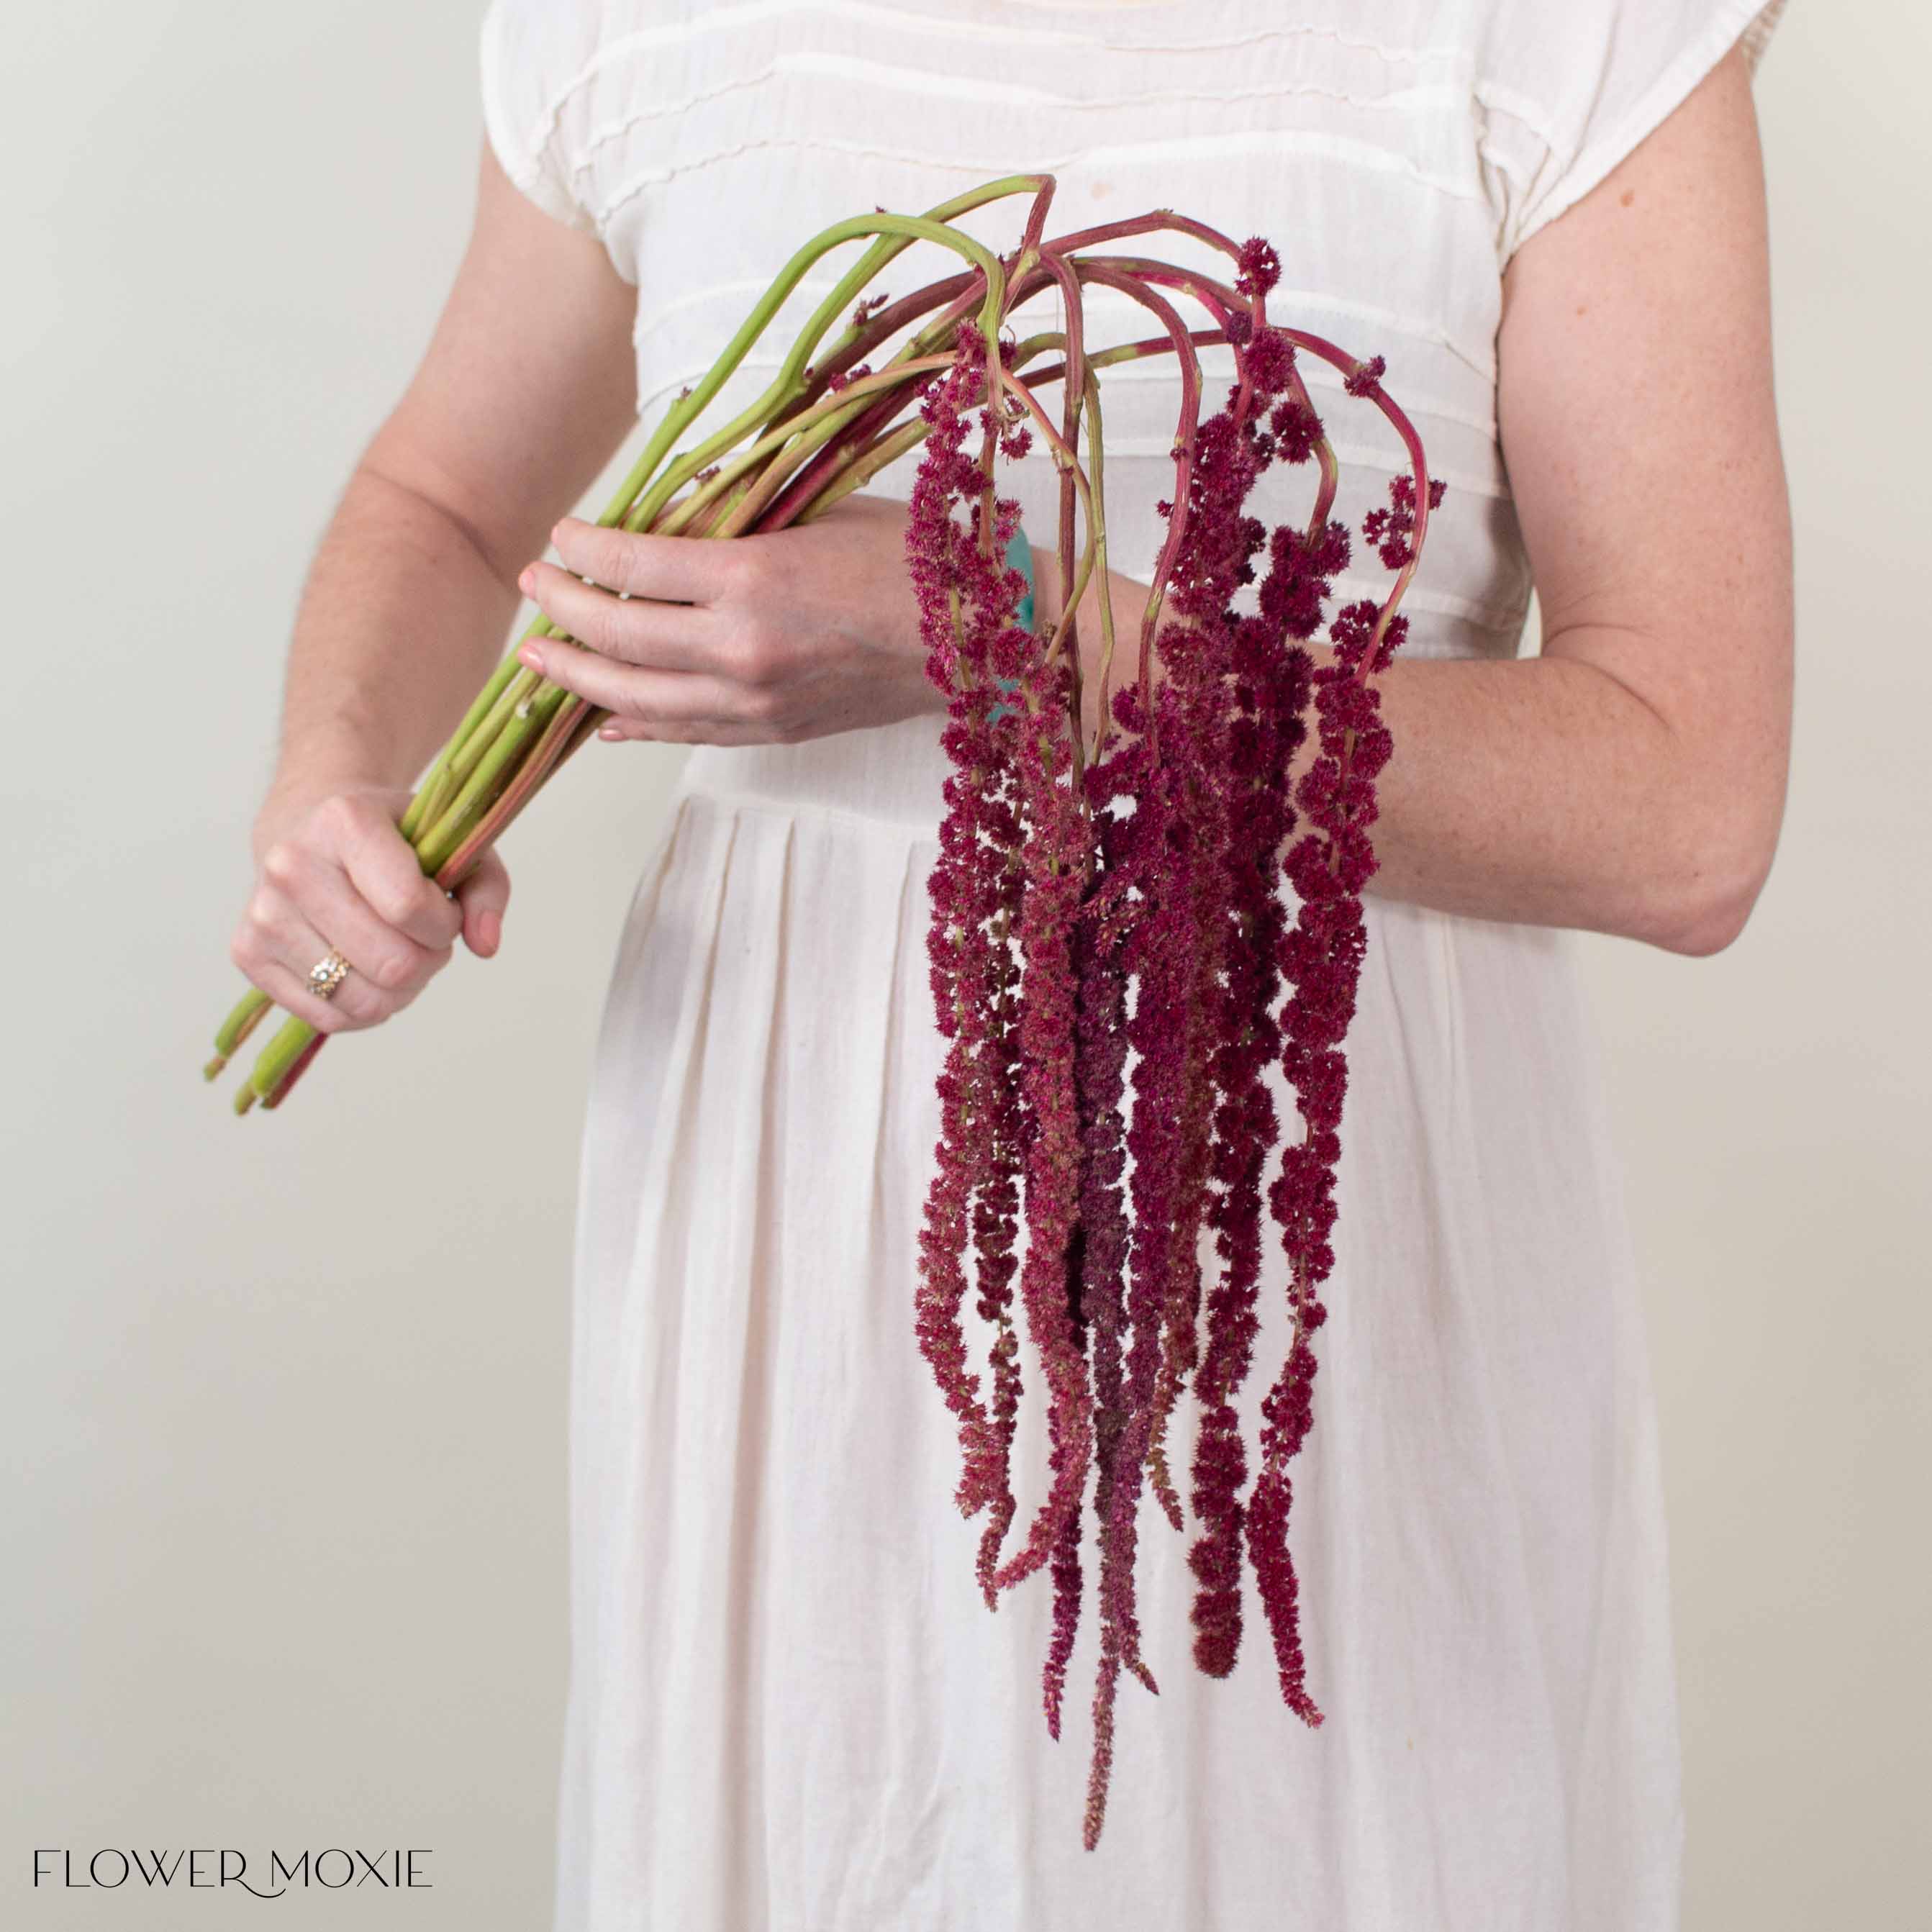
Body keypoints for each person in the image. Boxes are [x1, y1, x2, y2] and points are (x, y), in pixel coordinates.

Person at [226, 1, 1794, 1924]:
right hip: (799, 1207)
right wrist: (341, 775)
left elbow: (1687, 807)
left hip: (1311, 1244)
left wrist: (1034, 626)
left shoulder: (1574, 31)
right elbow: (452, 505)